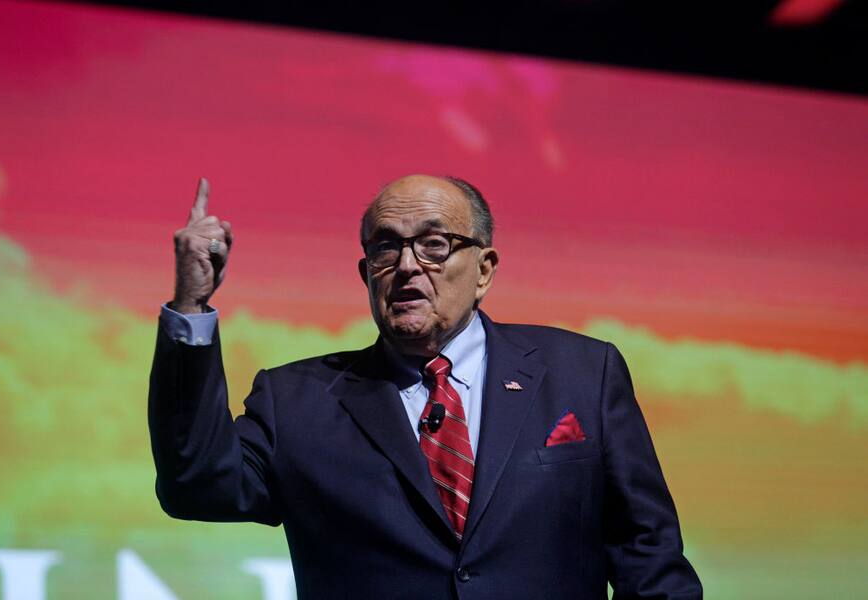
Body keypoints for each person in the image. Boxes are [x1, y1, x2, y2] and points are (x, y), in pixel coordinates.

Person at [148, 174, 702, 599]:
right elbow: (196, 485)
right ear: (366, 275)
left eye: (434, 244)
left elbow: (645, 550)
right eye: (386, 248)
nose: (408, 266)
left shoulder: (582, 371)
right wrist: (191, 305)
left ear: (484, 269)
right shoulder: (297, 400)